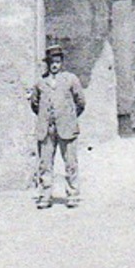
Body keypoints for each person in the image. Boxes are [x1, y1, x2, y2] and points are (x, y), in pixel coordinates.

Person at [28, 44, 85, 209]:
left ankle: (72, 194)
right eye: (52, 62)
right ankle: (45, 195)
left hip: (66, 127)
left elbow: (80, 101)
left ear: (62, 63)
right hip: (47, 129)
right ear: (47, 63)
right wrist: (45, 117)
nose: (55, 65)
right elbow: (35, 104)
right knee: (45, 163)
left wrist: (69, 117)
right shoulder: (40, 82)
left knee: (70, 162)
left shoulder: (70, 79)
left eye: (58, 62)